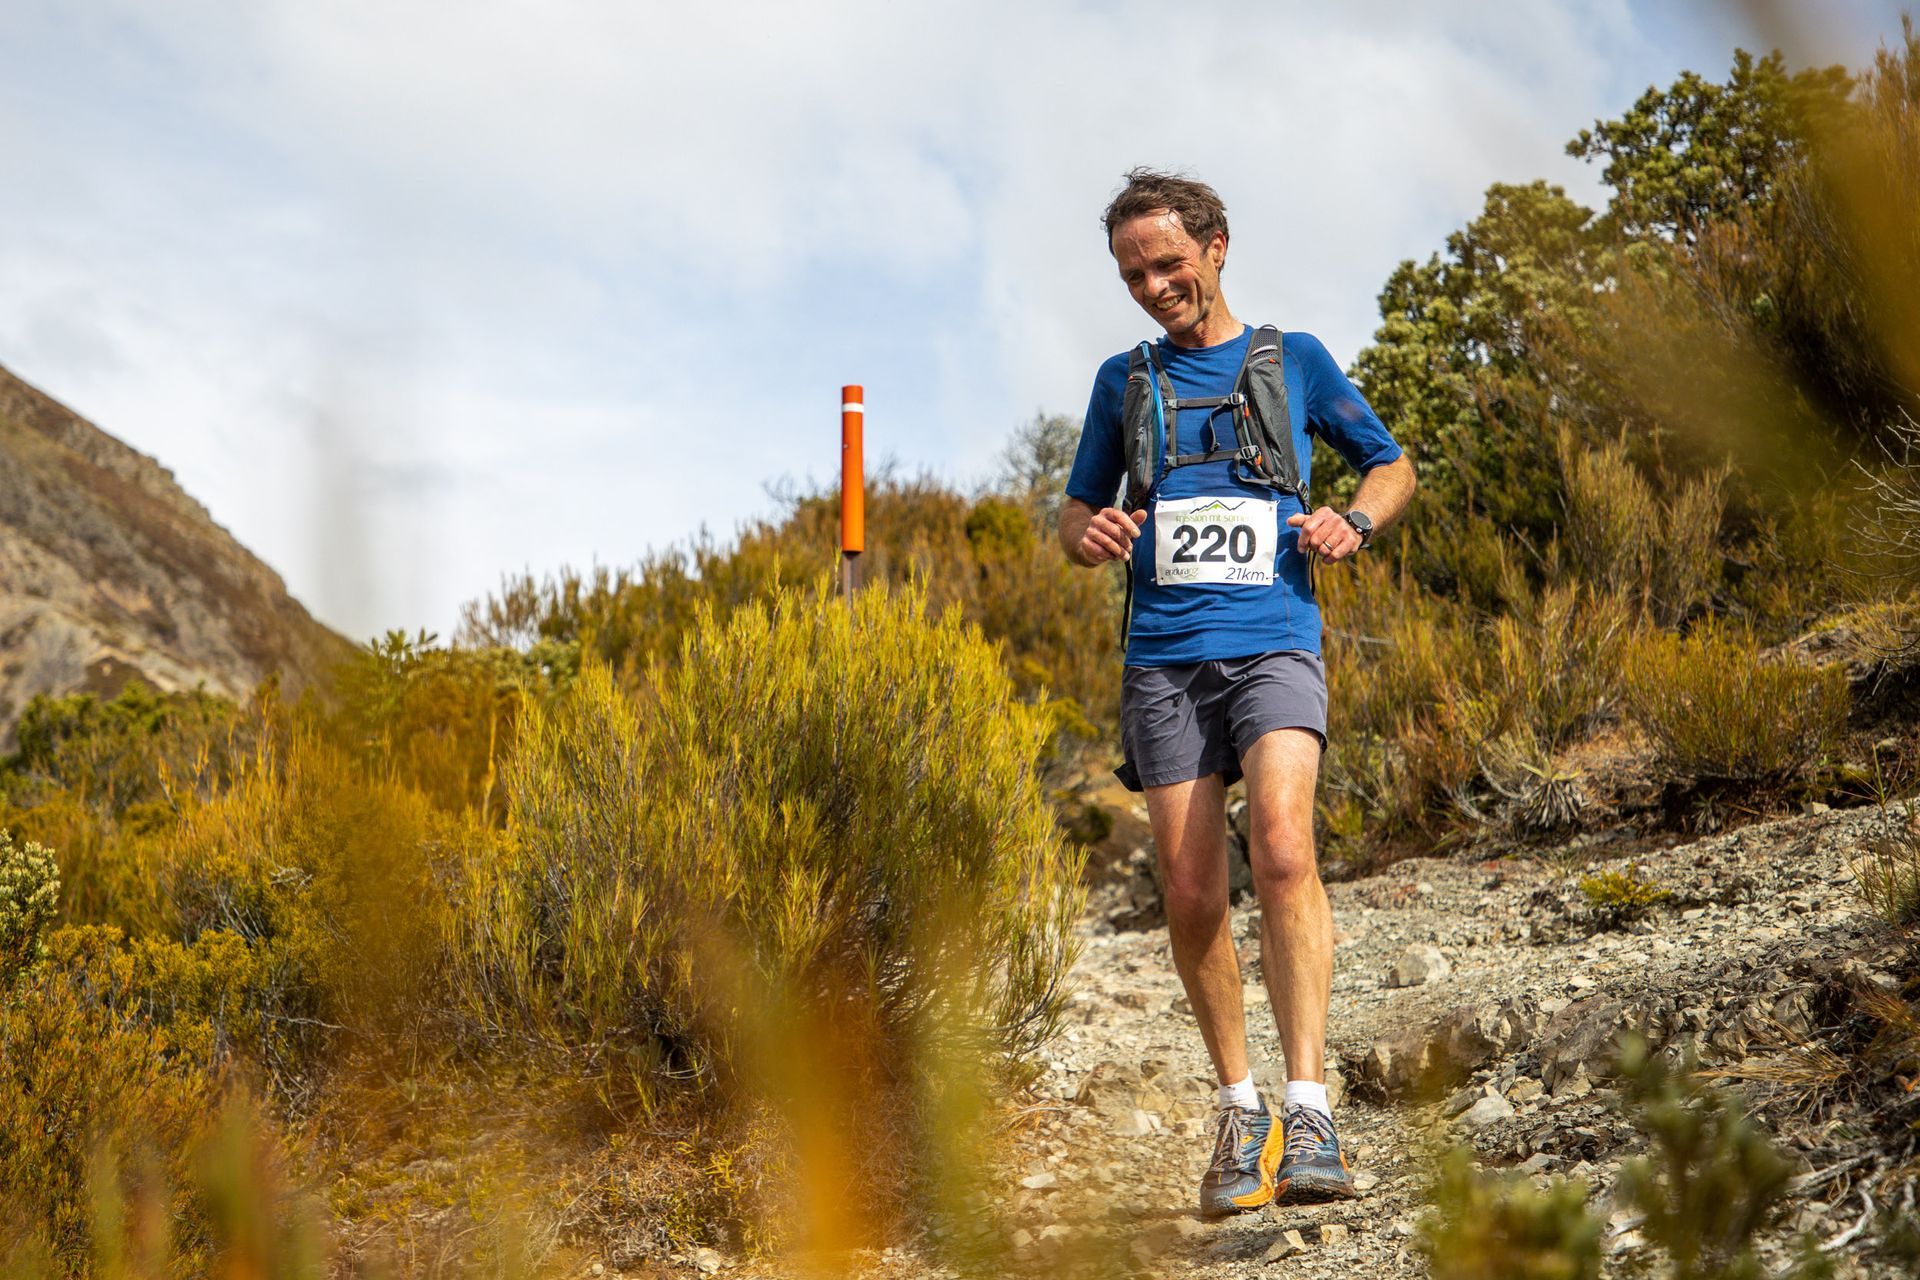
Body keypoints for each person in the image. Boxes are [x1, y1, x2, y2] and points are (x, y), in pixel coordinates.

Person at [1058, 169, 1416, 1216]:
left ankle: (1310, 1108)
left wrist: (1354, 519)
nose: (1154, 287)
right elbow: (1076, 515)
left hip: (1274, 643)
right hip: (1163, 659)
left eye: (1169, 263)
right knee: (1190, 891)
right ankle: (1239, 1107)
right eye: (1133, 275)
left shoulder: (1294, 360)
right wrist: (1092, 531)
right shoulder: (1122, 382)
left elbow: (1390, 464)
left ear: (1217, 247)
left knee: (1287, 847)